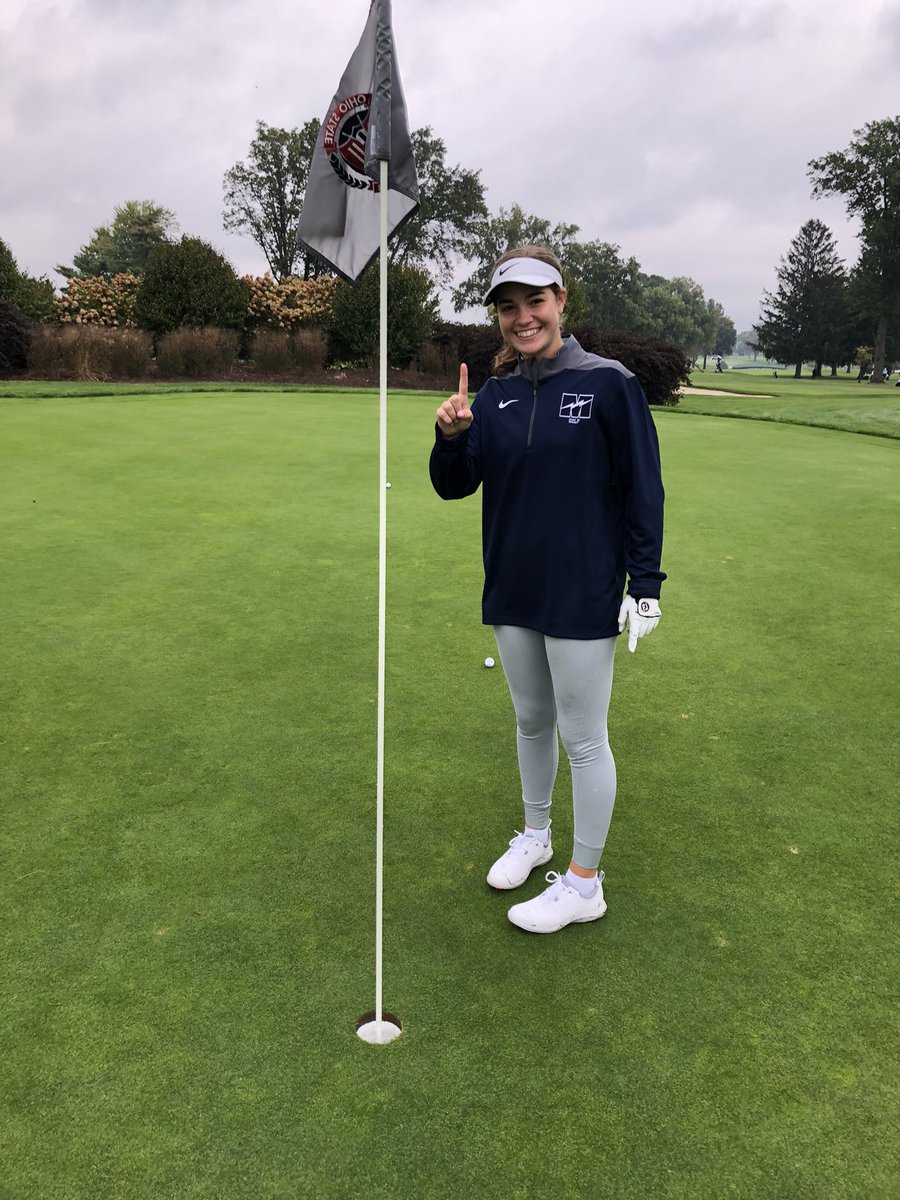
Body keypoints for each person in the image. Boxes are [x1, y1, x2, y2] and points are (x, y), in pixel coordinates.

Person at [429, 245, 666, 934]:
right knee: (531, 720)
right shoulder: (496, 395)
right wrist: (451, 437)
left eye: (535, 301)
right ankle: (536, 835)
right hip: (512, 584)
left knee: (584, 737)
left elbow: (642, 492)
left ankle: (585, 884)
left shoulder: (609, 383)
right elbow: (455, 484)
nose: (523, 317)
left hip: (583, 590)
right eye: (509, 307)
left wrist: (644, 584)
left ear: (562, 301)